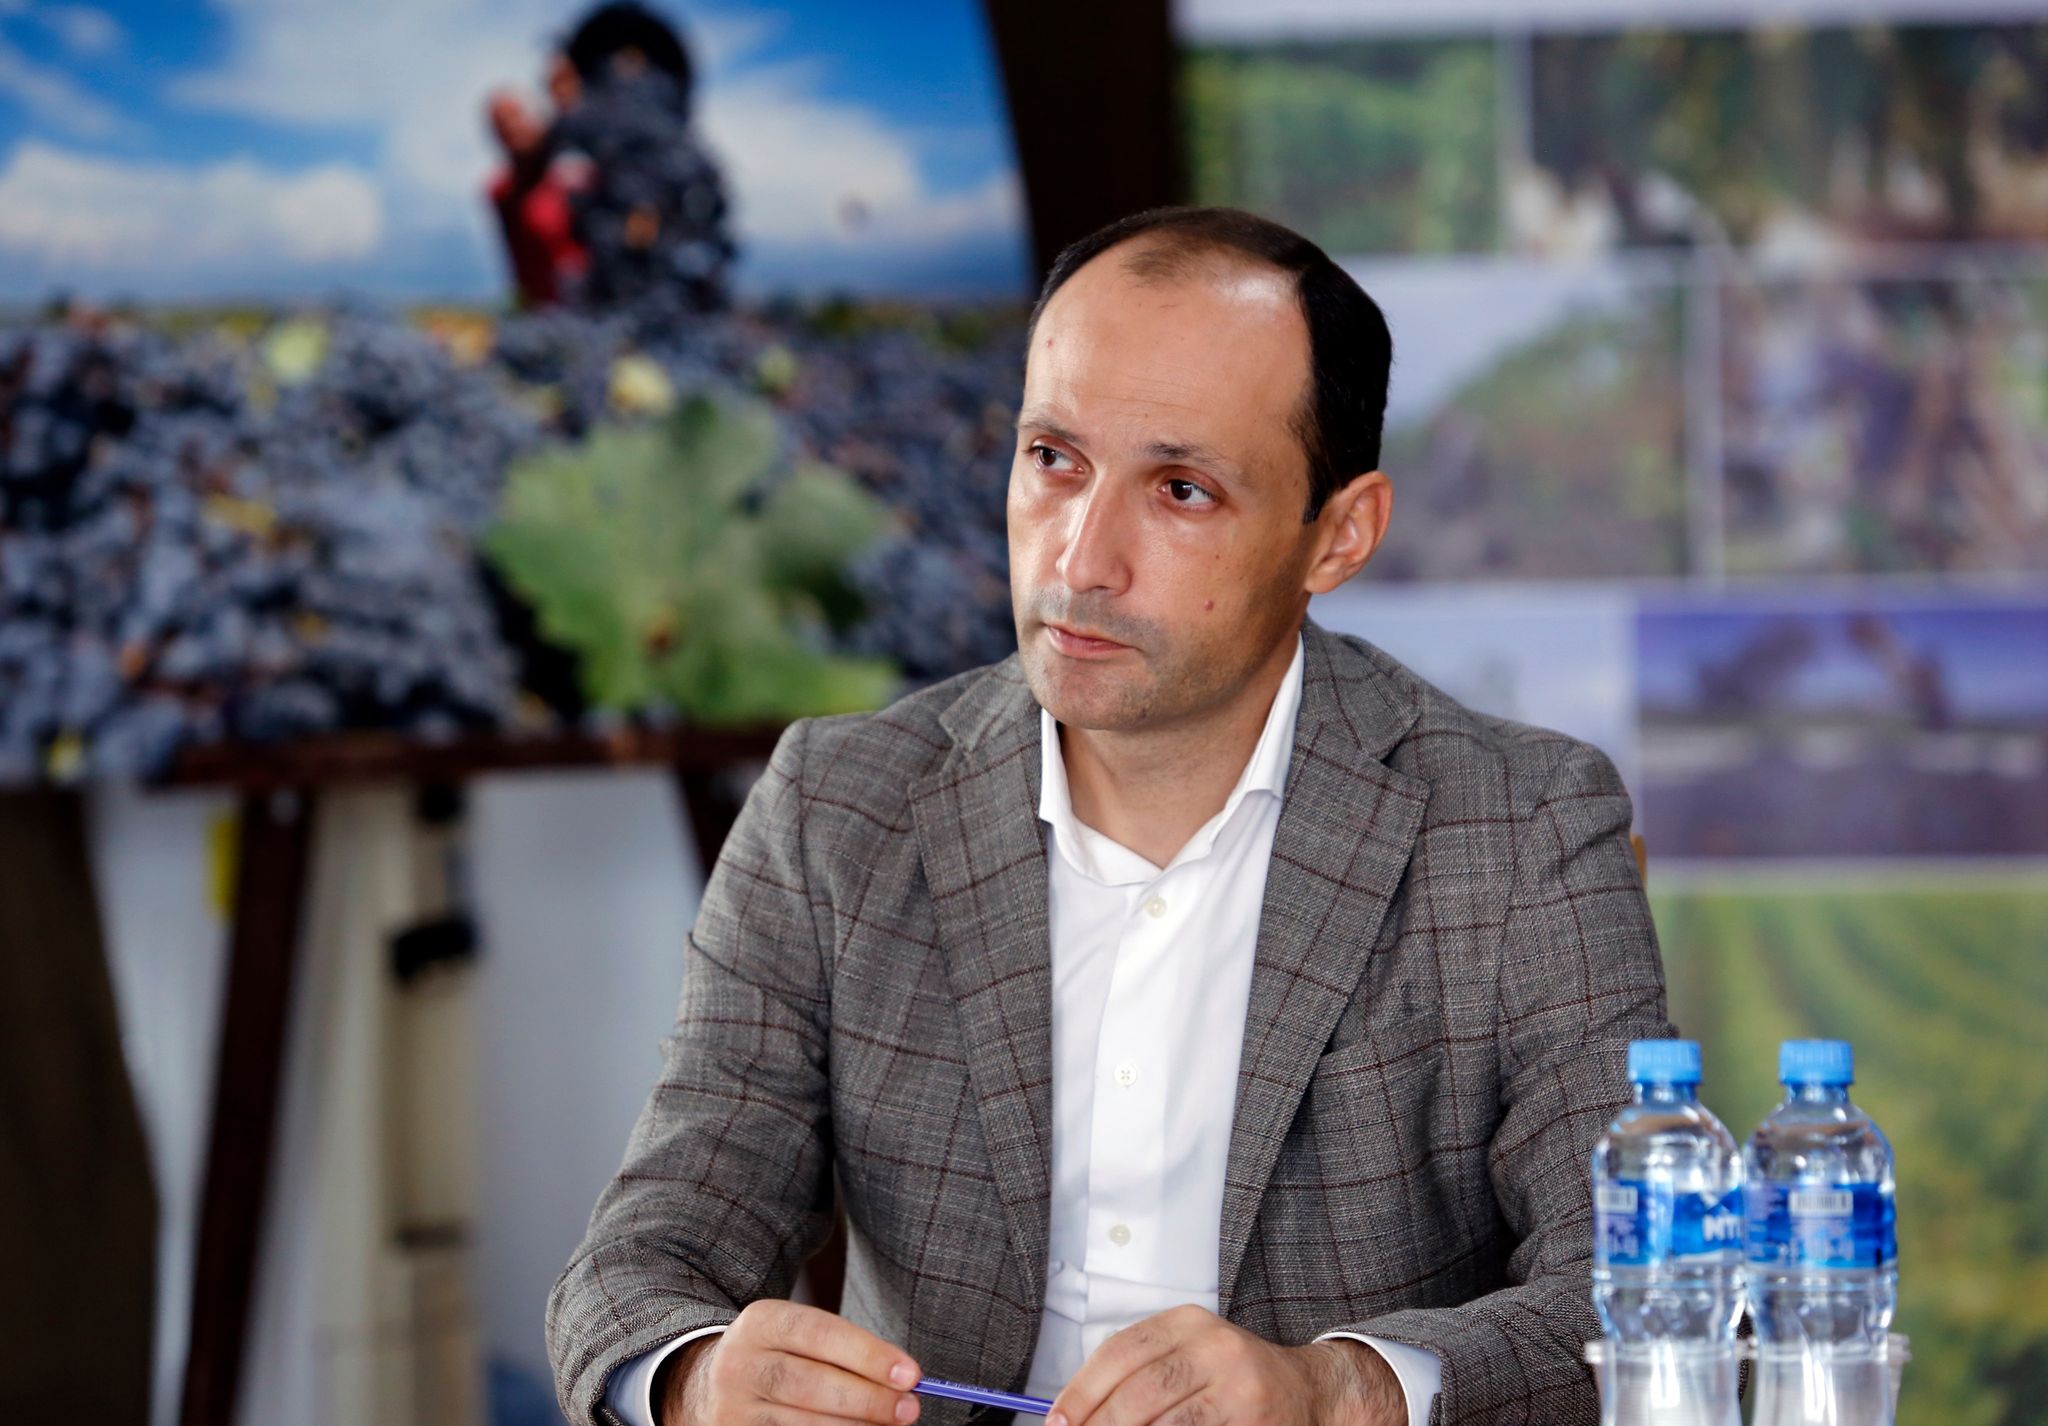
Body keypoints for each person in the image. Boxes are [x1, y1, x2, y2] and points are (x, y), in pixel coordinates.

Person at [546, 205, 1673, 1426]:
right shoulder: (835, 805)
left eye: (1180, 490)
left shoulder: (1518, 827)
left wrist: (1337, 1390)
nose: (1082, 559)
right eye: (1053, 459)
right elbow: (642, 1260)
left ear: (1338, 535)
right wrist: (694, 1377)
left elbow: (1642, 1292)